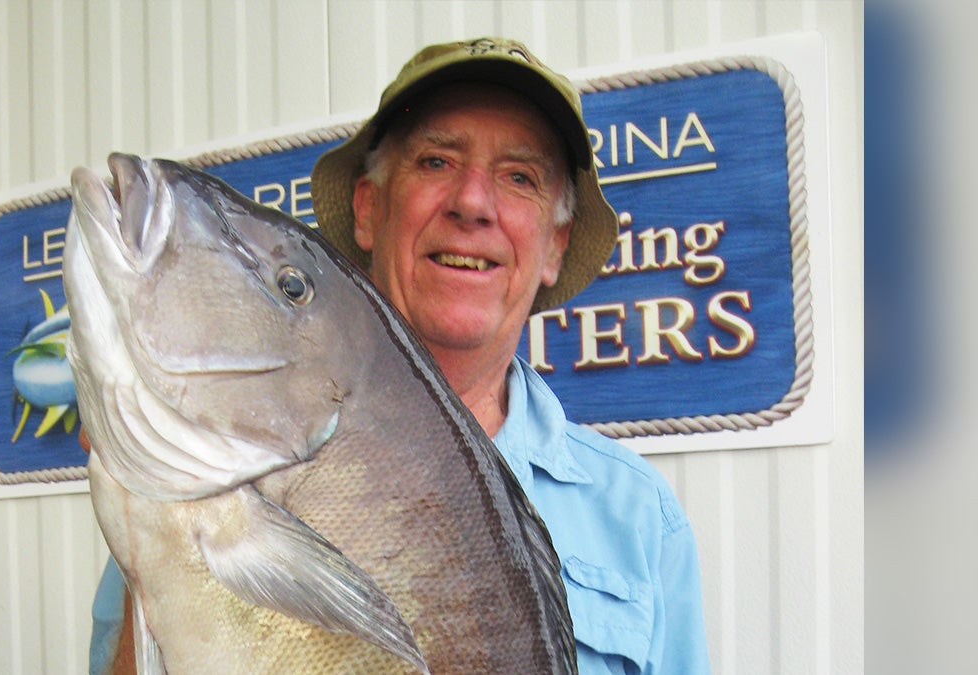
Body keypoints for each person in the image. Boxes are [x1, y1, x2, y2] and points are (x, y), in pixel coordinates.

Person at [90, 36, 711, 675]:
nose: (473, 202)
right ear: (369, 208)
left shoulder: (639, 516)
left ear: (554, 245)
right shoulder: (183, 484)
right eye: (437, 161)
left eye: (519, 177)